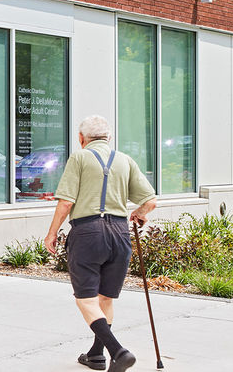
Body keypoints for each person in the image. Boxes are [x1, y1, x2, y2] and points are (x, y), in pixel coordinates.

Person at [42, 115, 157, 372]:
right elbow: (150, 201)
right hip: (119, 233)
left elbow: (66, 202)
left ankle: (118, 351)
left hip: (88, 233)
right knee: (105, 297)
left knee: (85, 299)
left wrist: (51, 234)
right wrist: (138, 214)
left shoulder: (79, 157)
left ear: (81, 139)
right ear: (109, 138)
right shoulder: (125, 160)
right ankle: (96, 355)